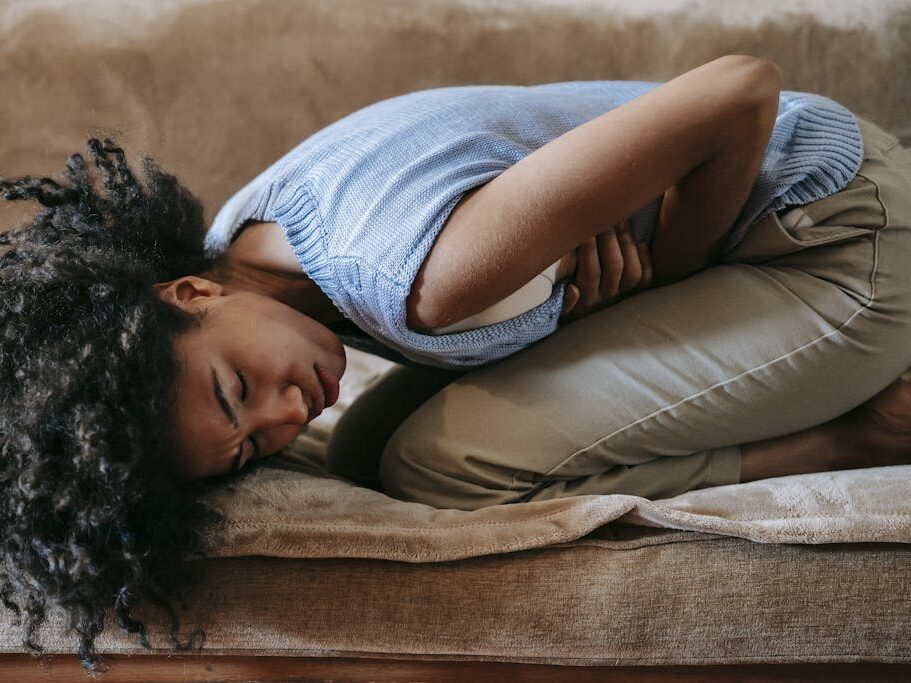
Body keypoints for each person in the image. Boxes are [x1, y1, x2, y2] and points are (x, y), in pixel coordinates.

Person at [2, 53, 910, 670]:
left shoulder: (416, 276)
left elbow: (736, 89)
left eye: (236, 389)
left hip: (838, 238)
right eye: (249, 448)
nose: (285, 419)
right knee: (363, 451)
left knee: (437, 461)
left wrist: (664, 275)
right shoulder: (242, 237)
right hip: (812, 216)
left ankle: (857, 435)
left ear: (188, 297)